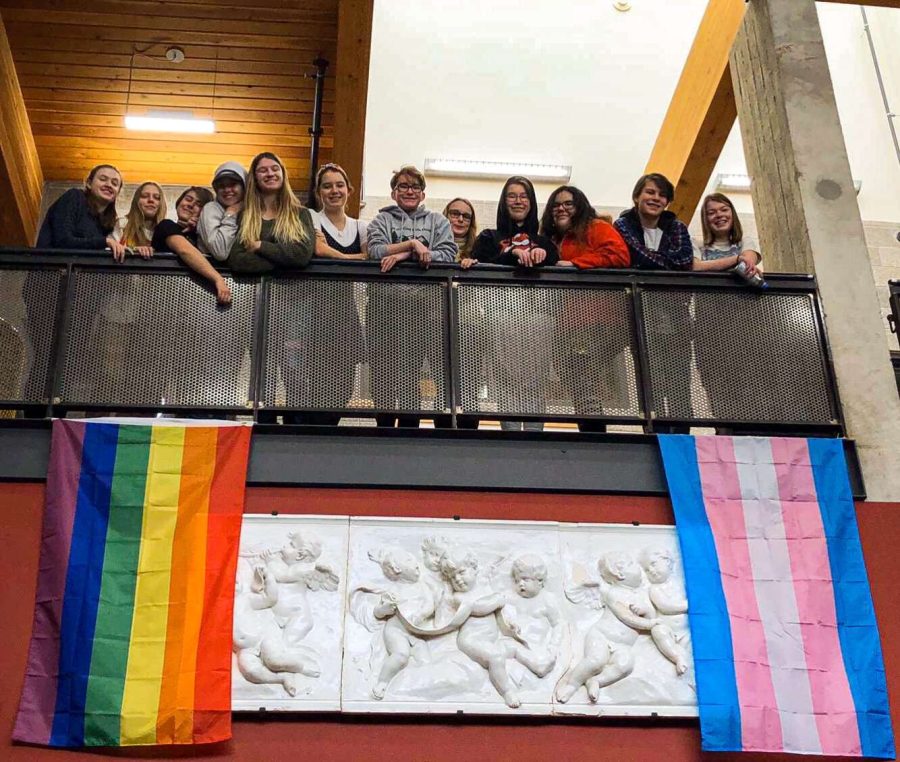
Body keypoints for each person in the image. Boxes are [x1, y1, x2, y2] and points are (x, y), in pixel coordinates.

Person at [366, 165, 457, 427]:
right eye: (403, 186)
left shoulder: (438, 222)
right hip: (383, 311)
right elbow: (375, 251)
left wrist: (405, 255)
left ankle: (409, 433)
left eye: (415, 187)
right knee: (382, 375)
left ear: (423, 194)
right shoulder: (381, 220)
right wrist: (413, 244)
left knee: (411, 374)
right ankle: (383, 432)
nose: (409, 191)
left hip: (421, 311)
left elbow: (448, 254)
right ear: (393, 193)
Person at [540, 185, 631, 433]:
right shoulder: (553, 239)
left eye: (568, 203)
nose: (561, 208)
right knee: (572, 373)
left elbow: (620, 256)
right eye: (556, 205)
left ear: (579, 206)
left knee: (583, 373)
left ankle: (593, 431)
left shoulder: (596, 228)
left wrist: (575, 264)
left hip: (597, 318)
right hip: (567, 322)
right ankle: (590, 423)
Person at [470, 177, 559, 431]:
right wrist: (511, 254)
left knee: (537, 378)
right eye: (512, 195)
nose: (518, 201)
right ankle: (509, 431)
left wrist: (543, 255)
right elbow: (479, 263)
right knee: (502, 375)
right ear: (503, 200)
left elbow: (555, 259)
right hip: (500, 314)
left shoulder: (543, 240)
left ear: (531, 202)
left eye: (524, 196)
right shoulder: (489, 236)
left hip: (539, 318)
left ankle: (534, 434)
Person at [614, 173, 693, 432]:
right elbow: (634, 255)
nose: (655, 198)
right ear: (637, 196)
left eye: (661, 195)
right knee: (650, 382)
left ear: (667, 201)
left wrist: (657, 264)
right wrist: (667, 265)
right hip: (641, 313)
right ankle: (654, 435)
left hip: (676, 314)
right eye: (649, 192)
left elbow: (684, 262)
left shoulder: (676, 227)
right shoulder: (623, 224)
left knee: (681, 381)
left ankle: (682, 438)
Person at [290, 162, 368, 425]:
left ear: (349, 190)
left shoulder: (361, 227)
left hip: (346, 316)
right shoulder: (311, 217)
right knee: (312, 387)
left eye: (339, 185)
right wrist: (355, 258)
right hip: (315, 315)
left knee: (342, 388)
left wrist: (350, 259)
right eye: (327, 186)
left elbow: (370, 258)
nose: (334, 191)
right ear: (318, 191)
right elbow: (319, 250)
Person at [692, 193, 764, 428]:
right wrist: (735, 262)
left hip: (743, 325)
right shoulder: (698, 245)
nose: (718, 216)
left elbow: (749, 259)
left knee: (747, 379)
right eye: (711, 212)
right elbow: (695, 267)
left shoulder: (746, 241)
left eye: (723, 210)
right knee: (714, 380)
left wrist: (735, 260)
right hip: (708, 324)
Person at [151, 186, 232, 304]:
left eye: (198, 204)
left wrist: (200, 230)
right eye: (188, 199)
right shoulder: (166, 225)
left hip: (200, 299)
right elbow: (185, 250)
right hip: (163, 296)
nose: (190, 205)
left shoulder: (205, 237)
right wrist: (218, 279)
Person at [442, 198, 482, 429]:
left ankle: (469, 436)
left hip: (470, 323)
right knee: (443, 386)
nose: (459, 219)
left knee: (470, 385)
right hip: (439, 322)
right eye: (454, 213)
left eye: (466, 216)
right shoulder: (434, 244)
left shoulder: (479, 247)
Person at [36, 164, 126, 260]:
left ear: (117, 193)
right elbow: (63, 240)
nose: (109, 185)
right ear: (89, 183)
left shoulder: (108, 223)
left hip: (80, 272)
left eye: (114, 183)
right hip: (49, 269)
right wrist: (105, 242)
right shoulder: (74, 197)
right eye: (103, 179)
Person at [198, 161, 247, 262]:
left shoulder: (252, 212)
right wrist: (231, 214)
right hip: (213, 273)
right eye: (221, 186)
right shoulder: (211, 208)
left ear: (244, 187)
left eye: (233, 184)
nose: (227, 189)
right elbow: (220, 252)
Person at [116, 181, 166, 257]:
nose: (151, 200)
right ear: (136, 201)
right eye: (145, 196)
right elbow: (109, 251)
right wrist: (134, 251)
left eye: (157, 197)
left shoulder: (166, 233)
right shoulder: (122, 223)